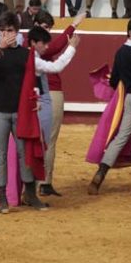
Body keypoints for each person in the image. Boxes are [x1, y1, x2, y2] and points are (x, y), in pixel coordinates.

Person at [0, 12, 50, 214]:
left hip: (21, 112)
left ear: (17, 32)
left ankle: (31, 195)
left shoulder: (26, 54)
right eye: (3, 31)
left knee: (25, 154)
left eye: (10, 30)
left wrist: (37, 99)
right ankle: (1, 200)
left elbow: (35, 82)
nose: (6, 34)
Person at [88, 18, 131, 195]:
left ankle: (100, 174)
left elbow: (115, 80)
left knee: (121, 137)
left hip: (129, 99)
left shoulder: (120, 53)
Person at [36, 11, 85, 196]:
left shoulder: (34, 44)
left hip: (45, 91)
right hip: (49, 92)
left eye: (48, 28)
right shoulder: (37, 45)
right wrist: (73, 25)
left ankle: (44, 182)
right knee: (46, 140)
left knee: (48, 139)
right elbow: (54, 49)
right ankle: (41, 182)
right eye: (43, 27)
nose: (46, 31)